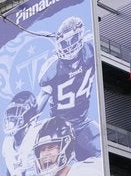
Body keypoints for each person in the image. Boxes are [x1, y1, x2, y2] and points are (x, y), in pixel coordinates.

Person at [36, 16, 101, 161]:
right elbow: (41, 101)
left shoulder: (91, 48)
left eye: (72, 40)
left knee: (101, 150)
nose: (69, 46)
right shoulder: (52, 68)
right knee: (59, 169)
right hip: (60, 127)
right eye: (64, 42)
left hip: (82, 122)